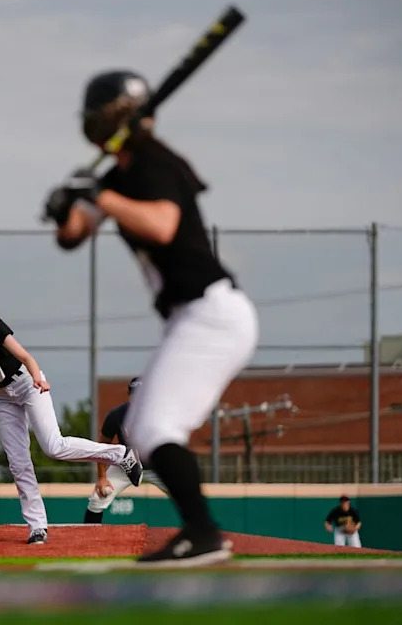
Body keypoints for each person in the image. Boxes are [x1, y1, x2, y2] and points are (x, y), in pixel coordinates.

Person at [43, 70, 259, 566]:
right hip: (191, 316)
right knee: (141, 426)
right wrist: (63, 208)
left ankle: (203, 534)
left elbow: (163, 225)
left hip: (212, 311)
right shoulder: (118, 177)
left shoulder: (152, 163)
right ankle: (202, 533)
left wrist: (96, 195)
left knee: (156, 424)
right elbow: (73, 236)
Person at [0, 278, 143, 545]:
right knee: (18, 462)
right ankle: (37, 527)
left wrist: (38, 378)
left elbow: (25, 357)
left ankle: (120, 453)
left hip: (27, 384)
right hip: (0, 396)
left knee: (53, 446)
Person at [84, 377, 168, 524]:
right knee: (98, 499)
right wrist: (102, 478)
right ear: (129, 395)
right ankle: (89, 539)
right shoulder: (117, 415)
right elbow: (103, 446)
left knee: (186, 495)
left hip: (157, 463)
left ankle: (201, 536)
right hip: (127, 463)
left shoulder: (160, 414)